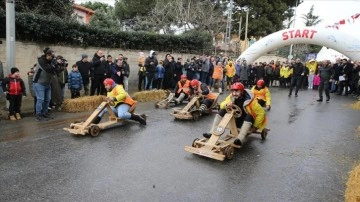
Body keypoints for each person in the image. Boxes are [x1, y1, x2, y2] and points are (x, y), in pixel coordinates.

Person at [202, 82, 267, 146]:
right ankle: (212, 133)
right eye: (233, 91)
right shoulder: (231, 97)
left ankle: (240, 139)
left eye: (237, 92)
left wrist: (255, 126)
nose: (234, 94)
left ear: (241, 92)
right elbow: (222, 104)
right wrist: (227, 104)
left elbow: (261, 113)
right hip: (236, 119)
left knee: (250, 115)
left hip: (248, 122)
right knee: (222, 110)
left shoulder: (251, 102)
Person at [33, 48, 63, 121]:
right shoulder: (41, 61)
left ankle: (44, 113)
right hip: (39, 82)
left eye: (51, 55)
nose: (50, 56)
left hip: (47, 83)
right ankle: (38, 115)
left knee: (47, 99)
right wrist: (54, 64)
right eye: (49, 55)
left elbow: (55, 71)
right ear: (46, 55)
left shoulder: (51, 61)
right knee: (40, 99)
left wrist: (61, 67)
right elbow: (47, 69)